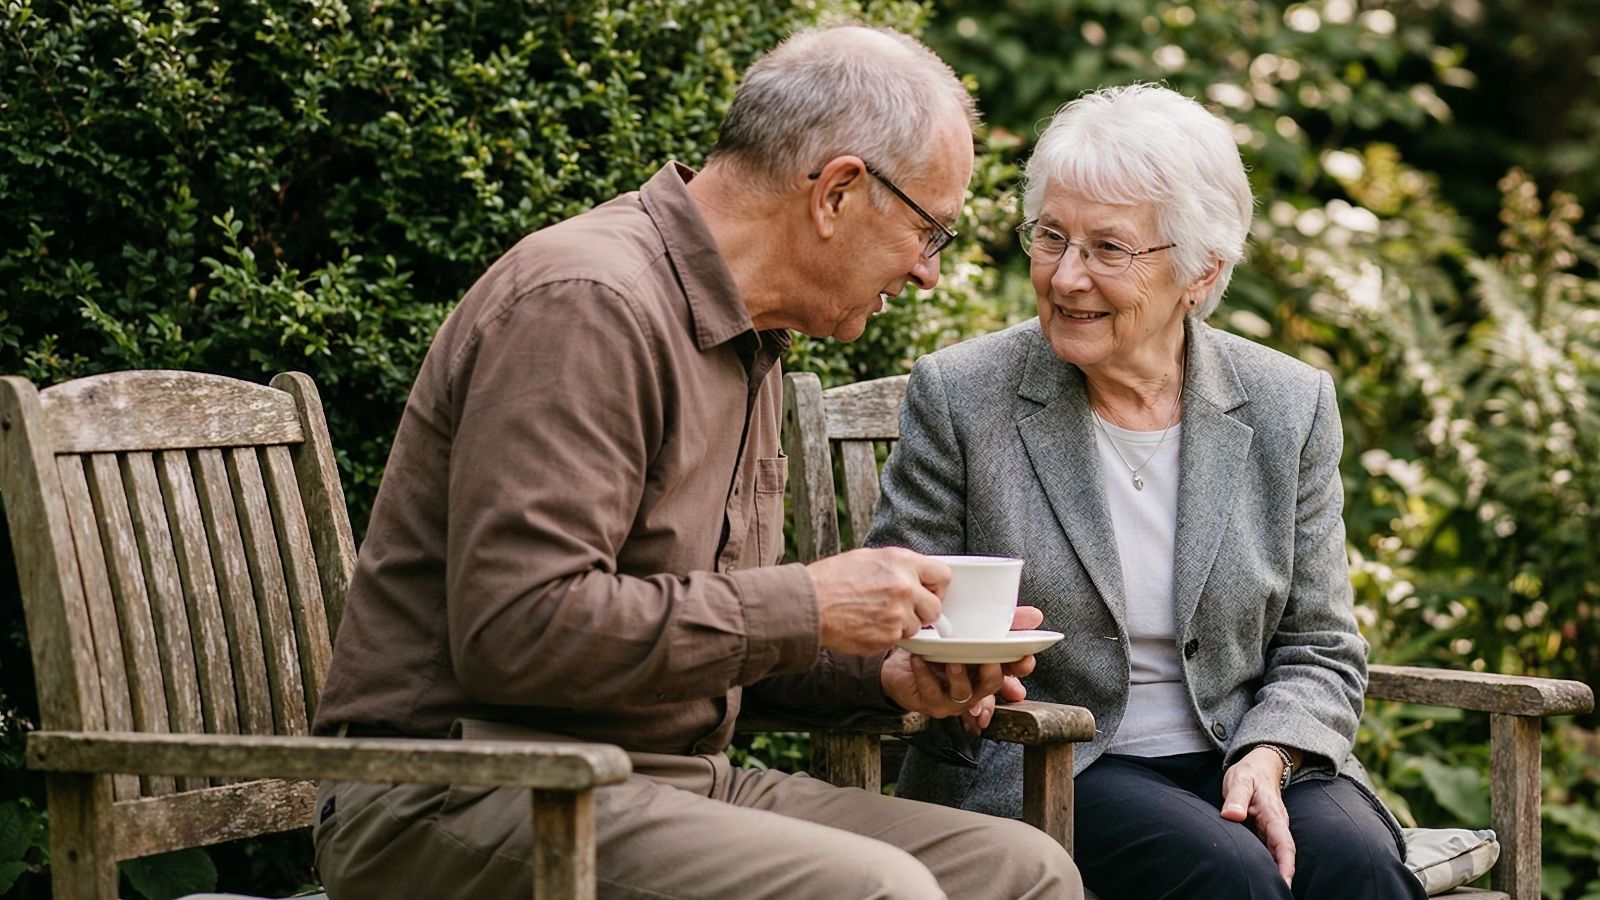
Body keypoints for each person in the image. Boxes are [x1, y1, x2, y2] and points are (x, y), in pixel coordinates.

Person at [310, 24, 1082, 900]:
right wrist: (810, 603)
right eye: (928, 230)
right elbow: (519, 633)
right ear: (836, 192)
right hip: (459, 789)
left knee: (1021, 872)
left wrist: (886, 673)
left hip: (665, 780)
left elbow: (697, 630)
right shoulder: (587, 304)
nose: (926, 273)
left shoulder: (749, 337)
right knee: (878, 892)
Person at [866, 83, 1427, 900]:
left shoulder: (1287, 403)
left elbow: (1321, 645)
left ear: (1201, 271)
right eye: (1051, 237)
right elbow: (894, 605)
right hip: (1055, 760)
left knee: (1357, 867)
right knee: (1229, 874)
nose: (1067, 277)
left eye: (1107, 249)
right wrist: (955, 667)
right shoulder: (963, 395)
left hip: (1244, 747)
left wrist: (1270, 753)